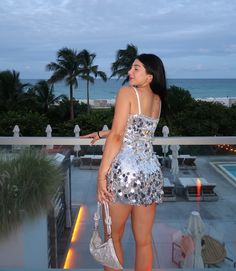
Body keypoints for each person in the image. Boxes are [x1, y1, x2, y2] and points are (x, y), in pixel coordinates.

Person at [81, 54, 168, 271]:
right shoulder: (157, 100)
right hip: (150, 174)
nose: (130, 72)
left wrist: (101, 176)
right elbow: (136, 129)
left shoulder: (127, 92)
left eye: (136, 68)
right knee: (144, 240)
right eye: (131, 67)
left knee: (113, 238)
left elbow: (119, 136)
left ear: (149, 76)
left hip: (125, 174)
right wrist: (103, 133)